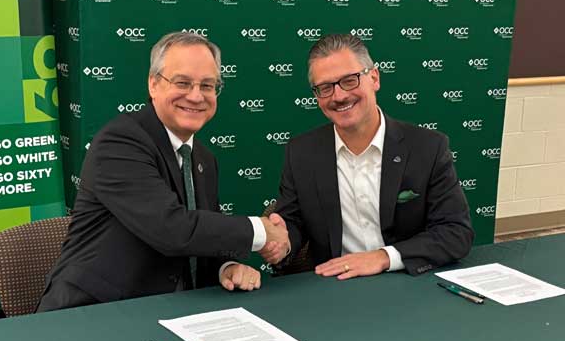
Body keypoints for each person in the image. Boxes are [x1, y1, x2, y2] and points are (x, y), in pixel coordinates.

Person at [37, 32, 289, 312]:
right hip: (90, 314)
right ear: (153, 84)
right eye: (182, 82)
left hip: (166, 313)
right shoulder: (120, 142)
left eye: (208, 85)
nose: (196, 96)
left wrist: (225, 268)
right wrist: (261, 231)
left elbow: (200, 236)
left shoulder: (204, 158)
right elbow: (172, 229)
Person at [272, 34, 474, 279]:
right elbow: (291, 225)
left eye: (349, 80)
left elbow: (455, 232)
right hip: (336, 289)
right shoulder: (301, 152)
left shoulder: (428, 148)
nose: (339, 96)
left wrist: (384, 257)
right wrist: (280, 241)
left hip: (409, 281)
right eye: (325, 88)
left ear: (374, 78)